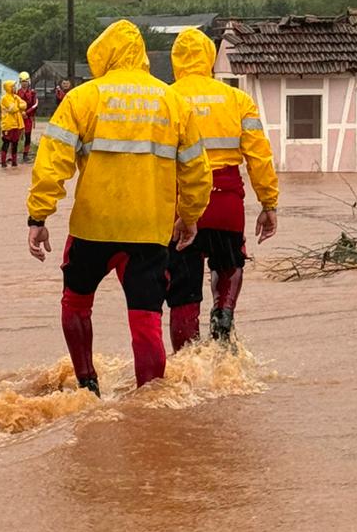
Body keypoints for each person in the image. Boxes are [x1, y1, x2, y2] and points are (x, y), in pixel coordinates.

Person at [26, 21, 211, 395]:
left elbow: (52, 163)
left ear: (104, 54)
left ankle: (86, 383)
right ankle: (152, 402)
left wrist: (39, 216)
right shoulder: (173, 101)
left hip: (92, 228)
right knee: (145, 320)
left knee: (75, 304)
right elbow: (196, 170)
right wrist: (189, 216)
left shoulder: (82, 99)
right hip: (149, 230)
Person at [165, 28, 278, 348]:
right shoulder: (237, 99)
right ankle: (223, 311)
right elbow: (259, 156)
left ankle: (189, 362)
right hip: (227, 202)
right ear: (211, 58)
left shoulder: (165, 98)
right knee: (230, 263)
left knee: (182, 289)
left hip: (180, 205)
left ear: (175, 60)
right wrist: (269, 203)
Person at [0, 79, 27, 168]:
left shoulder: (15, 97)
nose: (15, 88)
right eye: (13, 86)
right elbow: (12, 109)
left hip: (16, 124)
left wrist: (19, 106)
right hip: (7, 124)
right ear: (8, 88)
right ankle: (3, 162)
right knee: (6, 142)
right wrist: (19, 107)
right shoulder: (4, 98)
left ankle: (14, 161)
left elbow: (24, 104)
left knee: (15, 143)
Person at [17, 71, 39, 162]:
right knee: (15, 136)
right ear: (20, 82)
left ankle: (25, 155)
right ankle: (12, 154)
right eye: (22, 82)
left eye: (26, 82)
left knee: (28, 136)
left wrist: (27, 113)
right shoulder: (17, 92)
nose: (24, 84)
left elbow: (35, 105)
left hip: (28, 117)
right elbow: (15, 104)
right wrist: (21, 113)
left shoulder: (32, 93)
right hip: (18, 117)